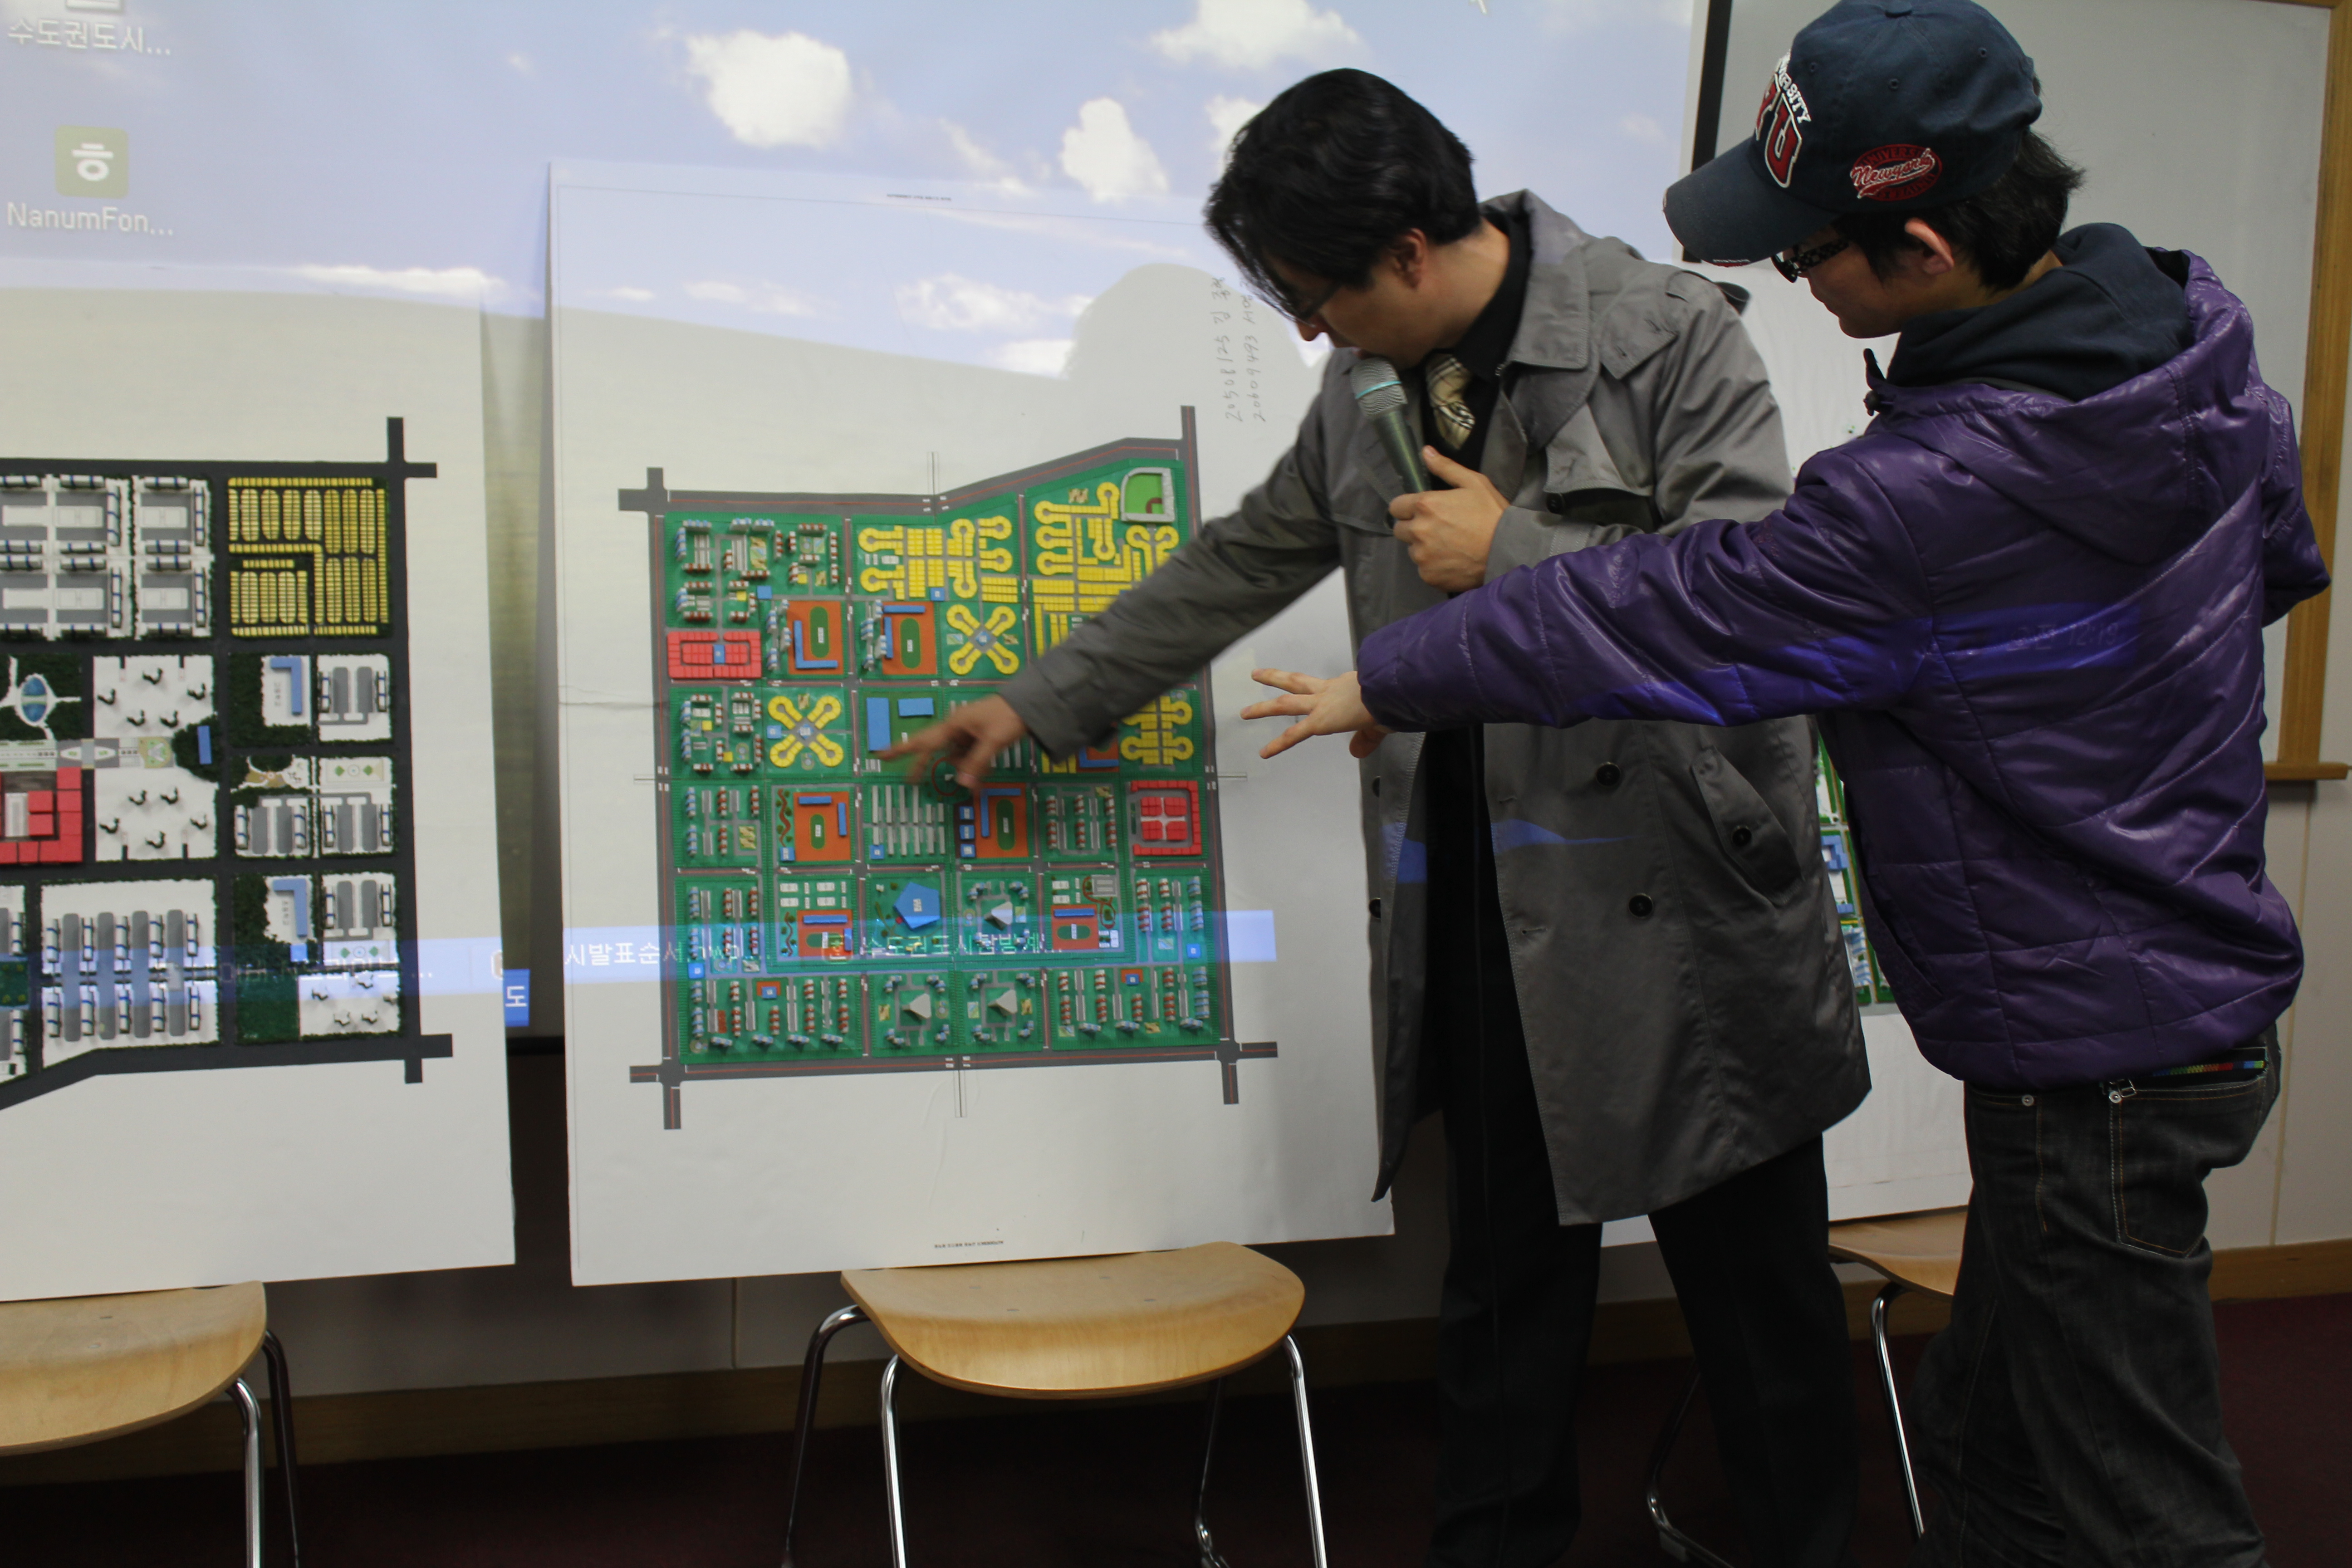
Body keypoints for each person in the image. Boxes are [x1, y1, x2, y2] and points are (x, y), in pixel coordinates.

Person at [1245, 6, 2323, 1566]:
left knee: (2141, 1501)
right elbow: (2276, 566)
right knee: (1988, 1441)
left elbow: (1677, 609)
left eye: (1808, 250)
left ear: (1924, 246)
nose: (1792, 279)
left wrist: (1396, 673)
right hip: (2167, 989)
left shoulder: (1926, 492)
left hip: (2096, 1049)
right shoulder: (2193, 351)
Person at [894, 67, 1868, 1568]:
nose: (1306, 330)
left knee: (1757, 1296)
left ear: (1410, 249)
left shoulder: (1668, 332)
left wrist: (1519, 551)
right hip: (1480, 882)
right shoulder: (1365, 387)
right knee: (1503, 1280)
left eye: (1314, 294)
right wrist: (1039, 701)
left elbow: (1763, 601)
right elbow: (1244, 558)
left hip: (1685, 892)